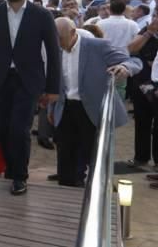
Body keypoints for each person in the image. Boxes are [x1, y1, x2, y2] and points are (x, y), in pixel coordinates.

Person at [0, 0, 61, 196]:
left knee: (19, 129)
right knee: (0, 129)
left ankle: (19, 176)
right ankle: (11, 168)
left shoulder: (42, 15)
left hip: (29, 81)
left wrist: (53, 87)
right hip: (0, 79)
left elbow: (54, 53)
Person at [49, 18, 142, 186]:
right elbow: (54, 82)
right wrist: (51, 108)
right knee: (64, 150)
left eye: (61, 39)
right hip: (65, 107)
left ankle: (84, 186)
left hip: (91, 109)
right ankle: (66, 183)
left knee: (88, 151)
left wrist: (124, 68)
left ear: (73, 32)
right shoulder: (55, 49)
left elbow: (134, 61)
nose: (58, 43)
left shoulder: (98, 46)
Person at [127, 14, 158, 168]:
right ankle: (141, 157)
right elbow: (131, 49)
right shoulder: (147, 31)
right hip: (142, 83)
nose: (155, 19)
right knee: (142, 120)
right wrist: (149, 33)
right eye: (155, 15)